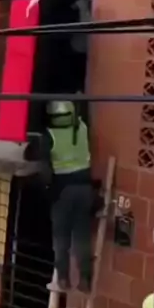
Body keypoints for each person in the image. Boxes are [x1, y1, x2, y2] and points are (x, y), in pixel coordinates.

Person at [24, 100, 94, 294]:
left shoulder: (50, 135)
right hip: (86, 188)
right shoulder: (82, 127)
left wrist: (47, 190)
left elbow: (42, 165)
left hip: (63, 191)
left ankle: (63, 279)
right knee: (81, 235)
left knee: (61, 237)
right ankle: (85, 278)